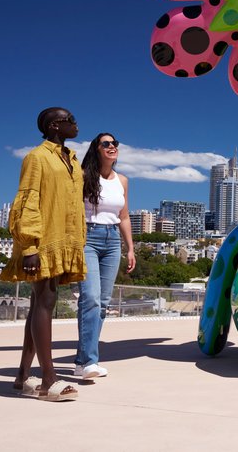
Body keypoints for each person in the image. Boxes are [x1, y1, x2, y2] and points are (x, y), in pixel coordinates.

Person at [0, 107, 86, 402]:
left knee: (40, 301)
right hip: (43, 241)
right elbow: (28, 199)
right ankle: (48, 379)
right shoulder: (36, 158)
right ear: (54, 126)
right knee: (45, 300)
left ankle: (23, 374)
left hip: (65, 240)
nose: (76, 124)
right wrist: (30, 247)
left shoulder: (72, 160)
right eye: (70, 120)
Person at [74, 132, 136, 379]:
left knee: (103, 303)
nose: (112, 147)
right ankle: (89, 361)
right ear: (96, 149)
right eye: (106, 144)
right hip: (87, 237)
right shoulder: (82, 176)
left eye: (115, 144)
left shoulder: (122, 180)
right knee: (90, 298)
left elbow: (124, 216)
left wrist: (130, 248)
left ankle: (83, 361)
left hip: (112, 242)